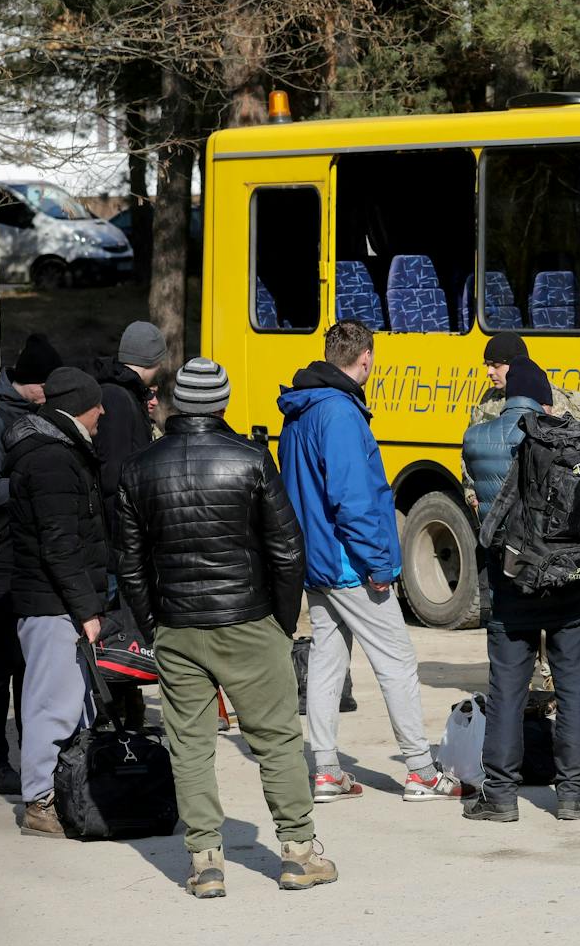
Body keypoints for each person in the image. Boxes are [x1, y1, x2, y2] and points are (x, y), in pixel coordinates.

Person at [118, 358, 335, 895]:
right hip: (248, 618)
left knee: (189, 746)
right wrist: (281, 623)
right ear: (221, 403)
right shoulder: (252, 459)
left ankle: (205, 863)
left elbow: (130, 563)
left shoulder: (139, 468)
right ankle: (298, 852)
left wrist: (154, 627)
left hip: (177, 625)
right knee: (277, 739)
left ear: (177, 402)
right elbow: (287, 550)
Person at [277, 321, 462, 803]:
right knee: (397, 660)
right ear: (366, 360)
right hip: (350, 564)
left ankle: (325, 770)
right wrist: (380, 564)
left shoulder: (301, 408)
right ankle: (421, 770)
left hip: (317, 559)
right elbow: (353, 499)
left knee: (327, 660)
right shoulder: (339, 413)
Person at [461, 356, 580, 823]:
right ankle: (573, 793)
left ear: (510, 395)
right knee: (575, 690)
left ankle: (501, 796)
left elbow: (476, 480)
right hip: (573, 582)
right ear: (545, 397)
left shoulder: (479, 438)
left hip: (514, 583)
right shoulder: (576, 436)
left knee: (507, 690)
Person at [3, 367, 110, 836]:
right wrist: (86, 610)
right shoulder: (52, 461)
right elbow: (59, 545)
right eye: (97, 404)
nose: (104, 412)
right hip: (52, 606)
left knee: (67, 703)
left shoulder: (59, 452)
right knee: (53, 705)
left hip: (54, 601)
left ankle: (58, 796)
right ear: (76, 407)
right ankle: (40, 804)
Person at [0, 334, 61, 794]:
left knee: (29, 663)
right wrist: (30, 487)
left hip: (26, 555)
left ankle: (30, 757)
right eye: (48, 385)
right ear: (30, 384)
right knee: (0, 659)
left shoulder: (35, 414)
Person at [92, 320, 168, 730]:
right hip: (118, 536)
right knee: (120, 632)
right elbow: (122, 474)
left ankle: (124, 709)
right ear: (154, 361)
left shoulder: (116, 395)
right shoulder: (120, 401)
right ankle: (119, 715)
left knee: (121, 632)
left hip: (112, 534)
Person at [469, 332, 580, 511]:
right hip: (496, 510)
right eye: (487, 365)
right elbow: (471, 453)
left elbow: (574, 461)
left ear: (515, 365)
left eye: (495, 366)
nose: (489, 372)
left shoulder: (548, 400)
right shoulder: (488, 401)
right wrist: (472, 493)